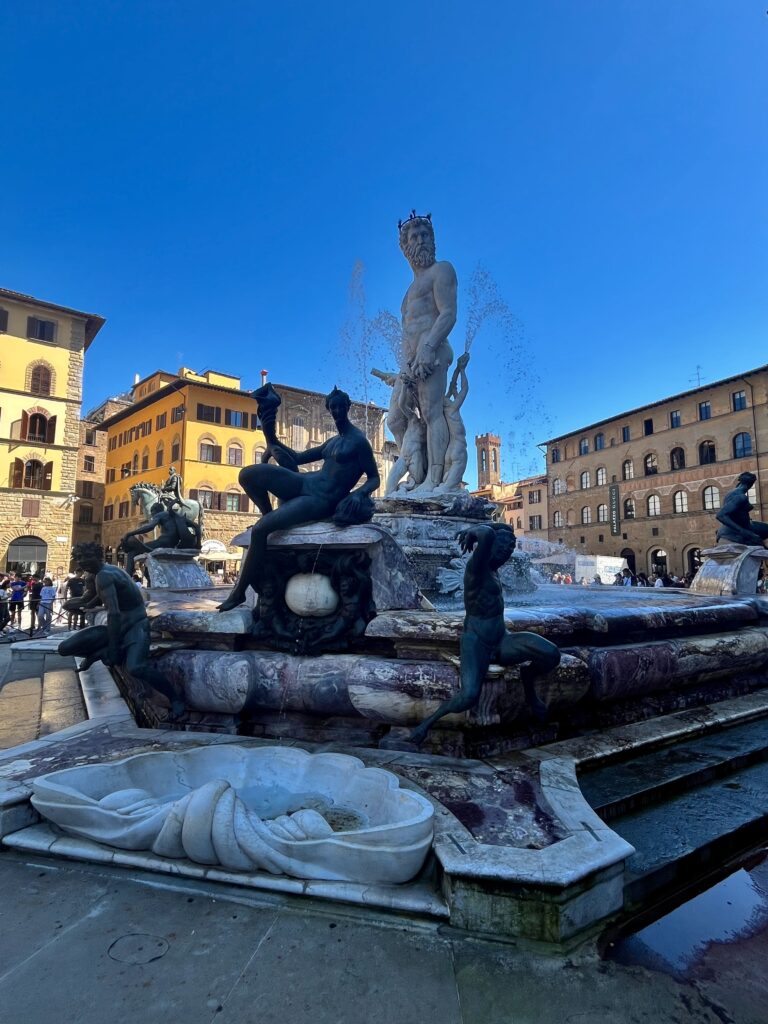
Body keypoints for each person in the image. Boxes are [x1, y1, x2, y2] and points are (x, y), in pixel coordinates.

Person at [219, 387, 381, 612]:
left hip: (322, 499)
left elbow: (374, 478)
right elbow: (297, 457)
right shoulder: (332, 442)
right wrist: (272, 439)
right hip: (306, 482)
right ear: (329, 410)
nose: (336, 411)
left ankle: (238, 593)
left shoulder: (358, 441)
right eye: (332, 407)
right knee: (248, 475)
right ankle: (268, 514)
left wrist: (359, 494)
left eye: (340, 407)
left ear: (348, 407)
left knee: (259, 530)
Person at [409, 523, 561, 744]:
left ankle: (528, 680)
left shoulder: (493, 569)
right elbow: (487, 534)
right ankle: (426, 725)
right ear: (489, 549)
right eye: (502, 550)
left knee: (551, 653)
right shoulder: (477, 567)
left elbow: (502, 528)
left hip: (501, 638)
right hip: (476, 642)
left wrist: (495, 531)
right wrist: (472, 531)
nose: (507, 554)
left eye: (510, 550)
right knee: (469, 696)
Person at [58, 542, 184, 719]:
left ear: (97, 556)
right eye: (78, 558)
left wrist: (114, 647)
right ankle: (98, 654)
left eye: (85, 557)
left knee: (136, 667)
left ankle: (175, 699)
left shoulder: (104, 576)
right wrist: (85, 604)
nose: (81, 561)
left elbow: (114, 614)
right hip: (118, 626)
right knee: (64, 648)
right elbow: (97, 599)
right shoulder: (98, 574)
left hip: (135, 625)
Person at [398, 213, 458, 492]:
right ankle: (417, 474)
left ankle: (434, 482)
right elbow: (404, 334)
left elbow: (448, 314)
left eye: (426, 236)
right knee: (397, 418)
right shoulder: (407, 293)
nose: (421, 241)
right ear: (405, 246)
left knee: (433, 413)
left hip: (433, 352)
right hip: (412, 363)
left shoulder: (442, 270)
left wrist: (429, 346)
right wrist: (404, 366)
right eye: (415, 237)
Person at [438, 352, 470, 492]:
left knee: (444, 485)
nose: (451, 397)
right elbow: (464, 389)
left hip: (448, 452)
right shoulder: (452, 408)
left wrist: (457, 369)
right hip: (459, 449)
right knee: (447, 489)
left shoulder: (443, 410)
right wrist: (462, 370)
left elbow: (452, 388)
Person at [715, 472, 768, 546]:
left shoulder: (731, 492)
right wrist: (743, 531)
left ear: (740, 481)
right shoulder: (741, 497)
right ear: (751, 485)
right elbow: (720, 515)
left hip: (747, 525)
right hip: (742, 528)